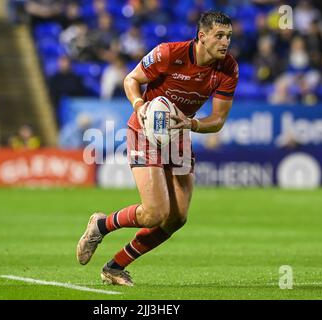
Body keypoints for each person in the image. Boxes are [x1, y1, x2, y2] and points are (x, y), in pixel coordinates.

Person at [76, 11, 238, 286]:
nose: (225, 42)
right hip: (145, 131)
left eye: (229, 37)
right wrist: (140, 106)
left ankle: (115, 267)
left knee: (177, 218)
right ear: (202, 36)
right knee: (155, 213)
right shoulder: (167, 53)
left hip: (179, 136)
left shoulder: (227, 68)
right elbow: (131, 80)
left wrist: (192, 123)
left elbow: (218, 120)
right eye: (219, 36)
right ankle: (101, 225)